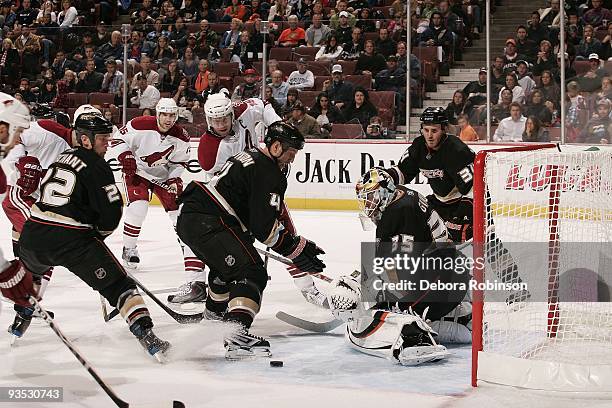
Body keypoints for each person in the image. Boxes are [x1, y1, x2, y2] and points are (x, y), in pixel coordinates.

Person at [10, 112, 171, 360]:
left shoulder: (59, 159)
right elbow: (110, 216)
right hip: (72, 241)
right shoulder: (98, 165)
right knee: (120, 286)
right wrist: (97, 236)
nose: (107, 143)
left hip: (33, 235)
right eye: (102, 139)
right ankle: (148, 337)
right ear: (85, 140)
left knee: (31, 275)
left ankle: (21, 318)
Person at [177, 122, 325, 359]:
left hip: (193, 217)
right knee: (251, 272)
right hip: (210, 220)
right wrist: (296, 250)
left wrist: (295, 246)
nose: (291, 159)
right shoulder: (268, 171)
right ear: (276, 147)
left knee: (226, 270)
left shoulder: (251, 156)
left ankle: (213, 320)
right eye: (290, 153)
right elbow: (264, 230)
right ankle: (236, 336)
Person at [325, 167, 471, 366]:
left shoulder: (398, 213)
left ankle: (415, 339)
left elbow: (398, 270)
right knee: (386, 292)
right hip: (449, 276)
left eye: (370, 197)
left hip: (441, 282)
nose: (367, 204)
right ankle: (461, 319)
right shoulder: (401, 194)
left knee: (389, 307)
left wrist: (369, 288)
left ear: (384, 190)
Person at [114, 98, 202, 284]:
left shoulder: (181, 136)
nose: (168, 119)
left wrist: (174, 178)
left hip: (162, 175)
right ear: (157, 114)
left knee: (178, 213)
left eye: (172, 115)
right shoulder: (140, 124)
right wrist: (126, 156)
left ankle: (186, 246)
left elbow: (179, 162)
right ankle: (129, 248)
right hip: (137, 172)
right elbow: (117, 139)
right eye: (164, 115)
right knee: (139, 207)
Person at [384, 107, 475, 243]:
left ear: (444, 129)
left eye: (434, 131)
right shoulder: (418, 146)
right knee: (418, 227)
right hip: (439, 201)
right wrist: (385, 177)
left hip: (464, 203)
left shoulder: (456, 150)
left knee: (482, 239)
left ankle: (503, 261)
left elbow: (473, 187)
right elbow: (403, 172)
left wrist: (463, 214)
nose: (429, 136)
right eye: (426, 130)